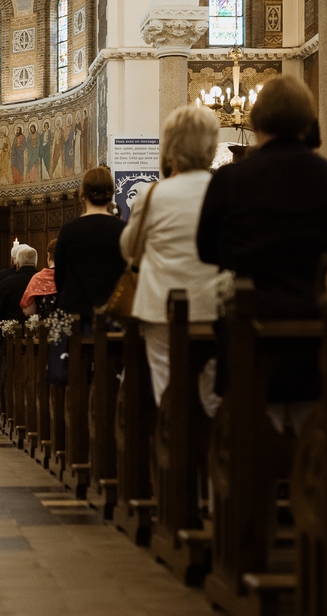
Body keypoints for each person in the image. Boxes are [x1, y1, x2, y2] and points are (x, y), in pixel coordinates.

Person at [197, 75, 327, 431]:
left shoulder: (231, 180)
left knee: (250, 437)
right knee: (313, 437)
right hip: (319, 334)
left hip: (249, 334)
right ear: (308, 123)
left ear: (254, 122)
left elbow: (205, 250)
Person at [120, 105, 220, 406]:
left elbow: (129, 248)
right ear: (211, 146)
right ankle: (211, 447)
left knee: (167, 386)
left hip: (160, 306)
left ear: (170, 148)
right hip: (212, 306)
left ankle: (172, 442)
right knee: (212, 391)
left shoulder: (153, 194)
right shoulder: (222, 190)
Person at [54, 166, 127, 331]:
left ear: (83, 194)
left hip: (75, 317)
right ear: (111, 193)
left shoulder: (69, 230)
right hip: (113, 316)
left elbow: (60, 279)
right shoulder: (123, 230)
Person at [0, 245, 37, 323]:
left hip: (12, 329)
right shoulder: (42, 280)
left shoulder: (5, 283)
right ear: (35, 263)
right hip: (39, 329)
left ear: (18, 264)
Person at [20, 239, 58, 318]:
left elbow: (28, 311)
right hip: (71, 327)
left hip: (45, 327)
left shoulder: (38, 278)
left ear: (48, 255)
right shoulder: (72, 278)